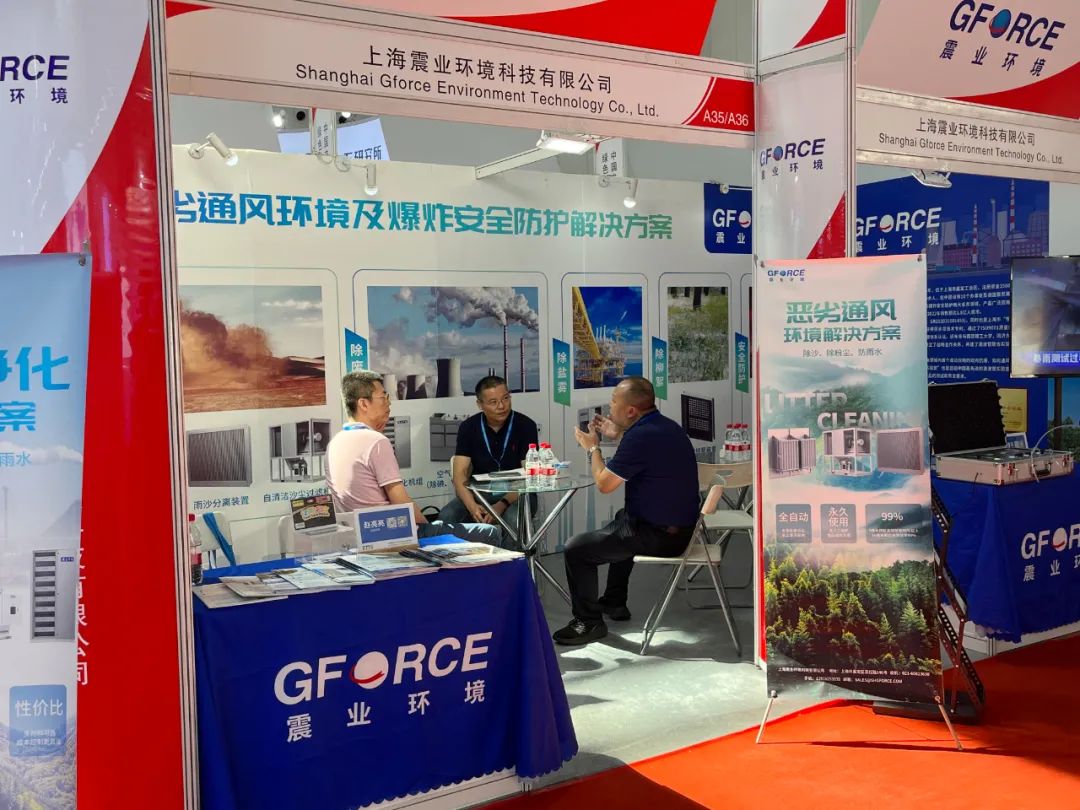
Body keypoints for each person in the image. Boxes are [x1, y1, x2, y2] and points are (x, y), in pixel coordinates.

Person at [553, 377, 699, 646]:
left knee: (576, 549)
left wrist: (593, 447)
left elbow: (604, 484)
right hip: (679, 529)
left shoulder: (640, 437)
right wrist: (618, 434)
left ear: (630, 411)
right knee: (622, 518)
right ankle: (614, 601)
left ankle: (589, 622)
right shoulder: (664, 427)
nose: (610, 408)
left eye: (613, 403)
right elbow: (642, 450)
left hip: (662, 537)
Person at [325, 371, 502, 545]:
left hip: (357, 540)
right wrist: (429, 530)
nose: (389, 403)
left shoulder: (334, 444)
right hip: (395, 536)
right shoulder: (376, 441)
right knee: (490, 532)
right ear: (363, 404)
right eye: (383, 397)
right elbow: (400, 502)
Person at [441, 376, 539, 540]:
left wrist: (501, 505)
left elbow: (529, 476)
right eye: (493, 402)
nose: (501, 406)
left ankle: (511, 558)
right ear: (480, 405)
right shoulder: (468, 427)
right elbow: (459, 474)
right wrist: (472, 507)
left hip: (517, 493)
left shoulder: (526, 426)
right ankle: (460, 558)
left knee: (512, 519)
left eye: (505, 398)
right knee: (448, 515)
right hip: (481, 493)